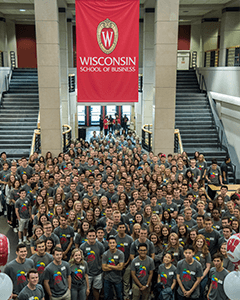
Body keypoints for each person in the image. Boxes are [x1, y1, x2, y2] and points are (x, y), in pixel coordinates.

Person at [80, 228, 105, 300]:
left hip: (98, 272)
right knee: (86, 291)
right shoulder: (82, 246)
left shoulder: (100, 246)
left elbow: (102, 257)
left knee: (96, 290)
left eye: (93, 236)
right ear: (87, 236)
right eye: (90, 236)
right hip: (87, 273)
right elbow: (81, 259)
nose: (92, 237)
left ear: (96, 236)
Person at [115, 222, 133, 300]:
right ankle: (116, 296)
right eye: (120, 227)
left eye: (123, 227)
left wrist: (126, 263)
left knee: (126, 282)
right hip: (116, 264)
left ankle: (126, 297)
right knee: (117, 281)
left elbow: (131, 252)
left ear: (125, 228)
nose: (122, 229)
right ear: (117, 228)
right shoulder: (115, 238)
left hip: (127, 264)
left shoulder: (129, 239)